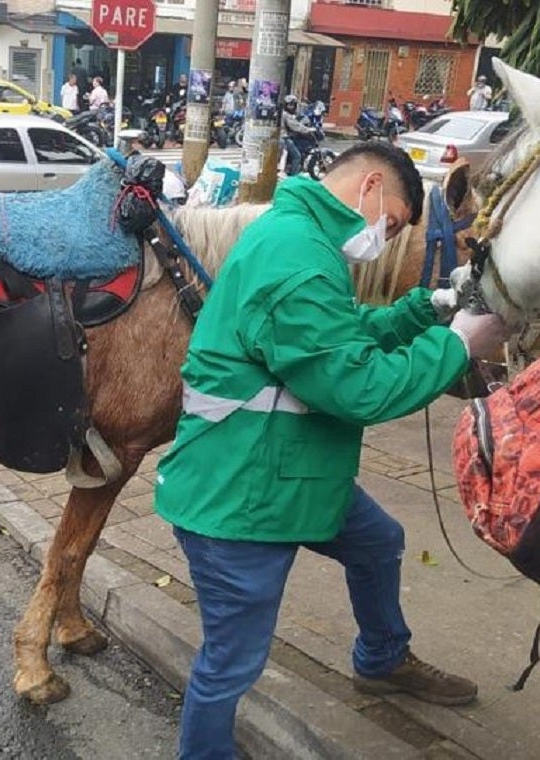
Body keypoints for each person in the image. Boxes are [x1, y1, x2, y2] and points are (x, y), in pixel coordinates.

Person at [154, 141, 509, 760]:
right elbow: (355, 386)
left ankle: (381, 657)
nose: (386, 235)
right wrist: (456, 347)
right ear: (370, 186)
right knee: (231, 662)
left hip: (286, 466)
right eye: (393, 222)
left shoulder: (302, 238)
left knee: (378, 542)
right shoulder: (297, 256)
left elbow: (336, 338)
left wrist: (426, 309)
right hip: (241, 493)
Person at [279, 95, 316, 176]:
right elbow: (295, 126)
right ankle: (293, 176)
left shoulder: (281, 113)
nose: (292, 107)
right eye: (290, 105)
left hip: (280, 137)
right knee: (297, 156)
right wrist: (308, 129)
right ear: (286, 105)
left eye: (293, 105)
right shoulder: (286, 115)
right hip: (284, 138)